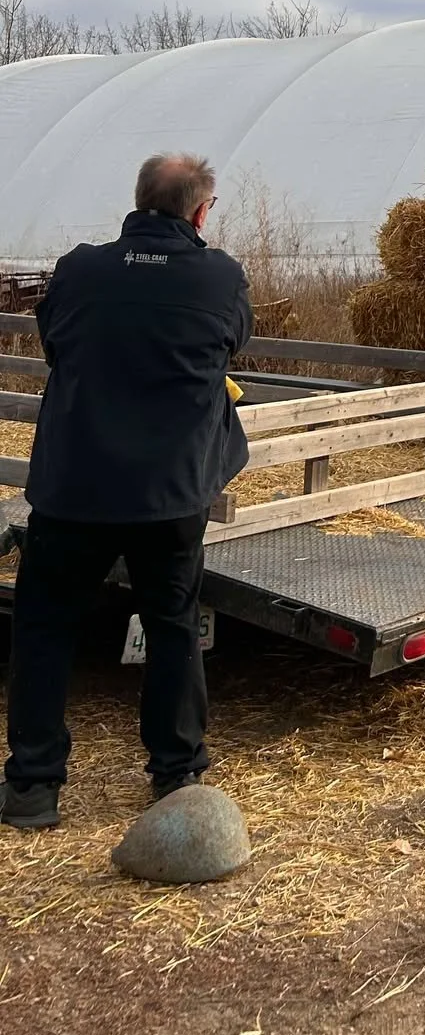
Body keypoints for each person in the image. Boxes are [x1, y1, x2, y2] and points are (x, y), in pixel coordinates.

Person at [2, 155, 252, 830]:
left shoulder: (78, 268)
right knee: (172, 627)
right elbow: (230, 344)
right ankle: (176, 774)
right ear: (201, 213)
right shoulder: (221, 277)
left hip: (73, 488)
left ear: (138, 201)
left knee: (45, 629)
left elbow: (58, 344)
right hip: (169, 494)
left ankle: (32, 786)